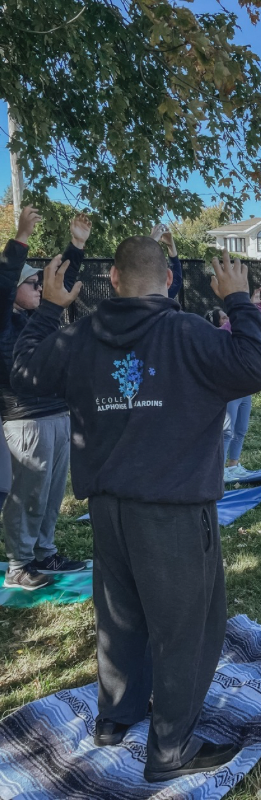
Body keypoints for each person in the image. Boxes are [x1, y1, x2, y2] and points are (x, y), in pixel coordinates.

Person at [11, 242, 261, 781]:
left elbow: (24, 377)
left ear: (111, 277)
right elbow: (257, 366)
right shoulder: (189, 333)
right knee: (187, 627)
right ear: (171, 282)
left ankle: (115, 717)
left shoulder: (80, 335)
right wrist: (241, 302)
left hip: (107, 507)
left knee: (121, 615)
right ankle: (171, 746)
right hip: (174, 509)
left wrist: (45, 311)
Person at [0, 207, 89, 590]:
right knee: (26, 494)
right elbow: (4, 282)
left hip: (56, 415)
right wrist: (20, 239)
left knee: (52, 493)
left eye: (39, 284)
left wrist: (77, 247)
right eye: (31, 283)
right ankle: (19, 563)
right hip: (24, 419)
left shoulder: (39, 322)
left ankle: (44, 553)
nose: (40, 288)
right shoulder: (3, 320)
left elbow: (60, 283)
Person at [206, 286, 261, 479]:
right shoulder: (219, 335)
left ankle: (233, 467)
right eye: (224, 317)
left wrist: (255, 307)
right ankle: (219, 472)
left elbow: (247, 326)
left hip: (244, 389)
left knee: (240, 429)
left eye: (228, 316)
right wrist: (249, 305)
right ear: (217, 323)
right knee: (227, 431)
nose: (228, 319)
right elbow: (233, 325)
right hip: (230, 389)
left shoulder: (234, 334)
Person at [150, 223, 183, 301]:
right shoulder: (163, 299)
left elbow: (176, 279)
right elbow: (176, 279)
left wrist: (170, 245)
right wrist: (151, 242)